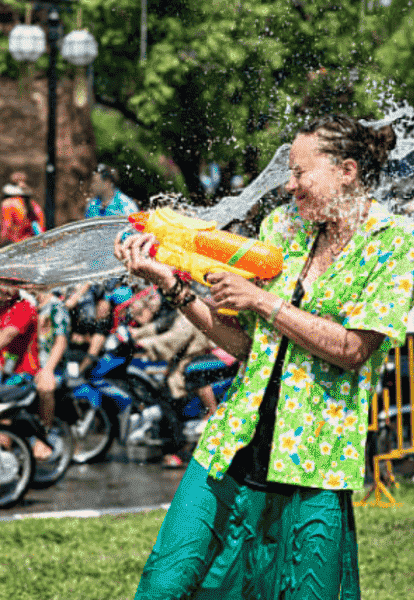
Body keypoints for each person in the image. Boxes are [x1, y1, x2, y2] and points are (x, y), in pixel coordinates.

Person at [115, 113, 414, 599]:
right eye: (289, 173)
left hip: (313, 459)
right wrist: (169, 283)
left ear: (347, 170)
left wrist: (263, 301)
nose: (290, 185)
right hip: (233, 442)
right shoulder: (283, 227)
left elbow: (352, 350)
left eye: (300, 173)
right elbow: (246, 344)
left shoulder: (392, 245)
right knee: (165, 584)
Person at [33, 289, 71, 461]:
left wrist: (47, 370)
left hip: (51, 365)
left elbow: (60, 341)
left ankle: (44, 437)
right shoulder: (32, 305)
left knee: (45, 390)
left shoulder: (56, 307)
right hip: (30, 365)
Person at [0, 285, 39, 384]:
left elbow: (7, 336)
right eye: (2, 284)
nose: (4, 289)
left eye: (10, 285)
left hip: (21, 373)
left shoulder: (25, 307)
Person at [0, 171, 45, 246]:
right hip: (33, 244)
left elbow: (6, 227)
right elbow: (41, 227)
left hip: (16, 245)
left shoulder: (7, 204)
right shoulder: (35, 205)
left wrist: (0, 243)